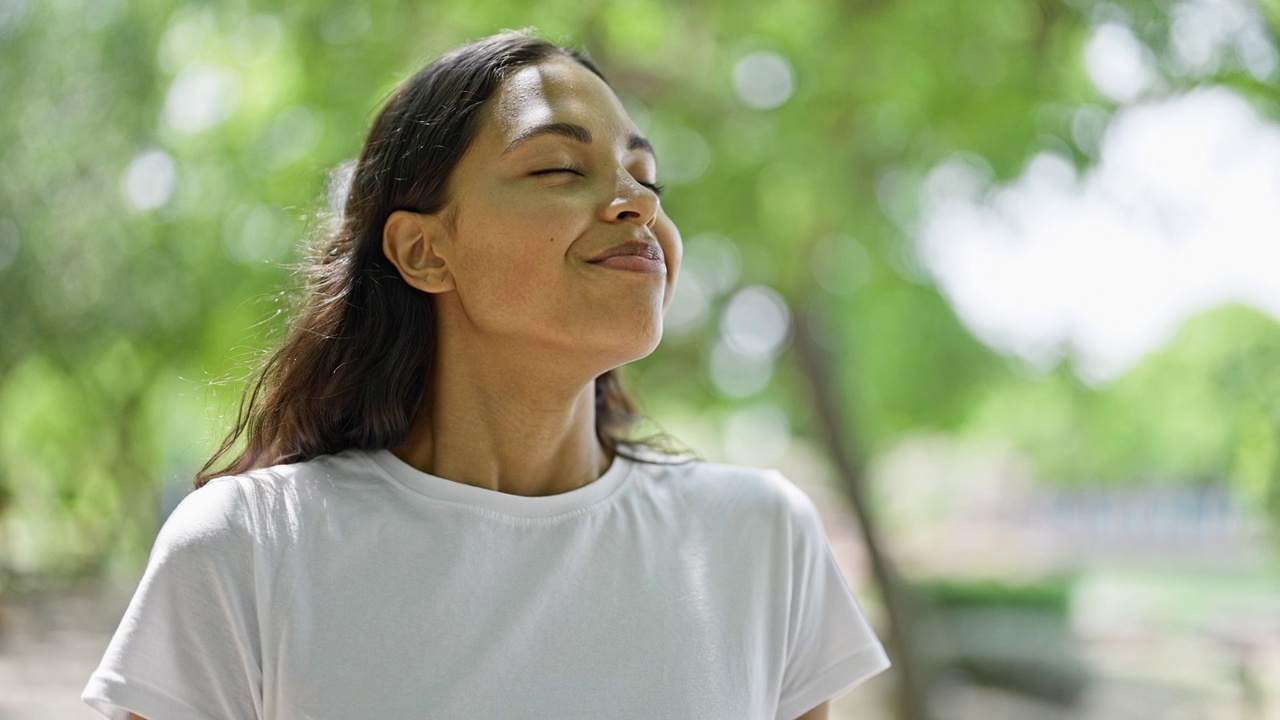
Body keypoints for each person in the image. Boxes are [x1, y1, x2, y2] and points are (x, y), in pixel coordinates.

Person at [82, 30, 889, 720]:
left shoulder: (760, 538)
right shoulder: (246, 550)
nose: (636, 204)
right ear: (424, 251)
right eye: (560, 169)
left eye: (645, 176)